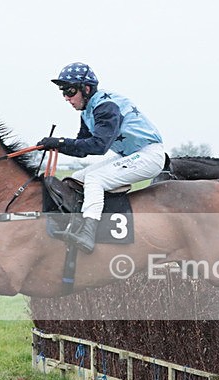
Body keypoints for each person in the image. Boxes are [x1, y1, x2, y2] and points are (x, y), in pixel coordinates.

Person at [37, 62, 165, 253]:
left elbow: (99, 146)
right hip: (133, 155)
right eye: (63, 92)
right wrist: (56, 145)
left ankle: (88, 234)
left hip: (149, 156)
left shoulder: (105, 107)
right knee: (77, 178)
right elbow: (81, 148)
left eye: (70, 91)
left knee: (95, 178)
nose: (66, 98)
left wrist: (60, 143)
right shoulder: (88, 111)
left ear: (86, 88)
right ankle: (75, 223)